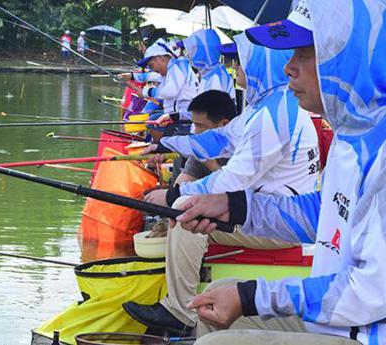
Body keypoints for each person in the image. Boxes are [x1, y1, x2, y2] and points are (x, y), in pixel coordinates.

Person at [171, 1, 386, 344]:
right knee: (214, 300)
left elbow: (371, 290)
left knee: (216, 341)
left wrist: (250, 297)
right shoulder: (353, 134)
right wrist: (233, 206)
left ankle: (175, 309)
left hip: (367, 331)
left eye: (304, 53)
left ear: (348, 54)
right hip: (339, 320)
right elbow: (323, 213)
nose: (288, 68)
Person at [124, 31, 320, 337]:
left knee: (183, 211)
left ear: (259, 65)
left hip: (279, 223)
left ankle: (179, 310)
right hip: (265, 208)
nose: (237, 70)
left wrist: (176, 193)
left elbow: (233, 177)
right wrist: (169, 146)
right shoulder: (269, 104)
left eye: (241, 64)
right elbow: (220, 140)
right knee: (186, 206)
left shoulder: (273, 114)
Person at [119, 41, 198, 141]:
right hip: (177, 114)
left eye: (151, 66)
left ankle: (160, 147)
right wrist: (132, 76)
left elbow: (169, 92)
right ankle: (158, 145)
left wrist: (146, 92)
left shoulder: (177, 66)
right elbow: (152, 76)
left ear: (161, 58)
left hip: (185, 116)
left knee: (154, 121)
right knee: (154, 116)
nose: (152, 69)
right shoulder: (170, 69)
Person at [183, 29, 235, 100]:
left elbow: (210, 109)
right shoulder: (212, 73)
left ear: (203, 52)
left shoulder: (215, 77)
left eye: (193, 51)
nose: (189, 55)